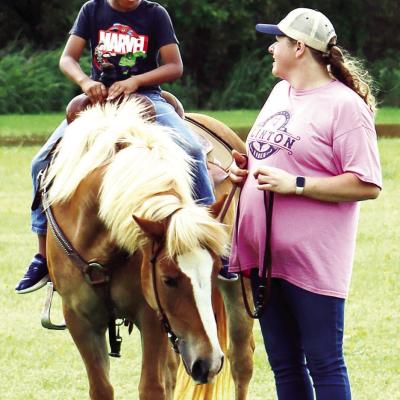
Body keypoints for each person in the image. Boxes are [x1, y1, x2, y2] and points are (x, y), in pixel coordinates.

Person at [15, 0, 237, 294]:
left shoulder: (154, 13)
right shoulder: (92, 10)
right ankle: (43, 255)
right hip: (99, 101)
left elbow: (174, 65)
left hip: (147, 98)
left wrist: (135, 81)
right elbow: (68, 58)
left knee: (194, 152)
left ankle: (209, 239)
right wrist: (84, 81)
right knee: (40, 163)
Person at [229, 8, 382, 400]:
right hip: (266, 257)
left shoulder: (345, 106)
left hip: (312, 261)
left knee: (324, 364)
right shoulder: (281, 91)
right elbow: (269, 152)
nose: (270, 47)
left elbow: (366, 183)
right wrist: (243, 170)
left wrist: (295, 184)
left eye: (277, 40)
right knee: (284, 365)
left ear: (299, 47)